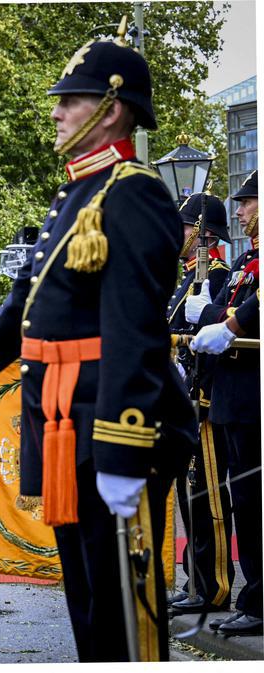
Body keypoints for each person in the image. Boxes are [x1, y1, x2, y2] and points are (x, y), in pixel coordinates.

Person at [0, 27, 195, 661]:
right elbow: (24, 312)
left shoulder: (134, 192)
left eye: (70, 100)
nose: (56, 112)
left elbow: (134, 331)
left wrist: (123, 446)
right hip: (67, 429)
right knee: (90, 612)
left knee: (125, 622)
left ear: (111, 109)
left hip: (110, 432)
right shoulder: (76, 193)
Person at [187, 169, 261, 636]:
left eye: (248, 201)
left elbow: (246, 314)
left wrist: (220, 320)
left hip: (251, 394)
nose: (240, 210)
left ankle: (257, 600)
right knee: (247, 504)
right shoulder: (247, 262)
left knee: (253, 502)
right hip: (232, 395)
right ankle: (255, 597)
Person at [165, 193, 233, 616]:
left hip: (204, 401)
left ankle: (214, 586)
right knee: (189, 496)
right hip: (182, 401)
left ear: (203, 234)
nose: (178, 234)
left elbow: (217, 336)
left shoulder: (220, 276)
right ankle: (195, 580)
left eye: (185, 227)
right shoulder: (186, 280)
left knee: (207, 497)